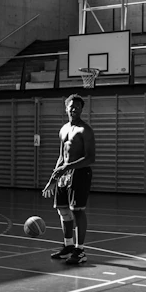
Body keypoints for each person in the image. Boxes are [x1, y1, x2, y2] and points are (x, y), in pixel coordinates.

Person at [42, 93, 95, 265]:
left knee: (77, 210)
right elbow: (61, 157)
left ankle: (80, 251)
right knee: (63, 210)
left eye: (78, 107)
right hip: (64, 174)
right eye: (71, 106)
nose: (74, 109)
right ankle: (68, 246)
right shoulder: (63, 129)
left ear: (81, 110)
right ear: (66, 108)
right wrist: (53, 178)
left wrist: (68, 167)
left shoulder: (85, 130)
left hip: (80, 173)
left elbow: (90, 158)